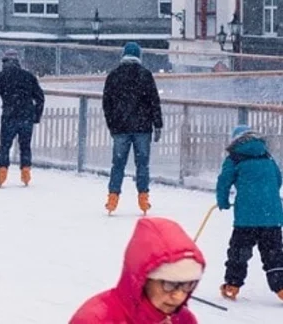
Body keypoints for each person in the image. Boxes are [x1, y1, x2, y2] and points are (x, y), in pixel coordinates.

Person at [70, 217, 205, 323]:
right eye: (170, 284)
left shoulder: (184, 319)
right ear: (144, 279)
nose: (179, 296)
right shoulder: (96, 318)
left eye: (188, 285)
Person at [215, 125, 283, 302]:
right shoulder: (267, 156)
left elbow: (224, 182)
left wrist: (223, 201)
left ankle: (232, 285)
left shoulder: (234, 158)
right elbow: (278, 179)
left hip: (246, 218)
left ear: (235, 140)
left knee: (239, 252)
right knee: (273, 253)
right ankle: (281, 287)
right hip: (272, 216)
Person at [102, 41, 163, 215]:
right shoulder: (146, 75)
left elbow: (107, 103)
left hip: (120, 128)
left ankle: (112, 198)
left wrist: (112, 124)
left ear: (123, 55)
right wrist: (157, 124)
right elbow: (154, 101)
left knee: (118, 164)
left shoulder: (114, 75)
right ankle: (143, 198)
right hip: (142, 128)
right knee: (142, 164)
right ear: (138, 56)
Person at [0, 49, 44, 188]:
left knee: (5, 146)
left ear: (4, 62)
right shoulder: (28, 76)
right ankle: (25, 171)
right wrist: (36, 115)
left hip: (9, 116)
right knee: (25, 146)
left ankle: (2, 171)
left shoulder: (0, 77)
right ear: (18, 61)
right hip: (26, 116)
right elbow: (40, 97)